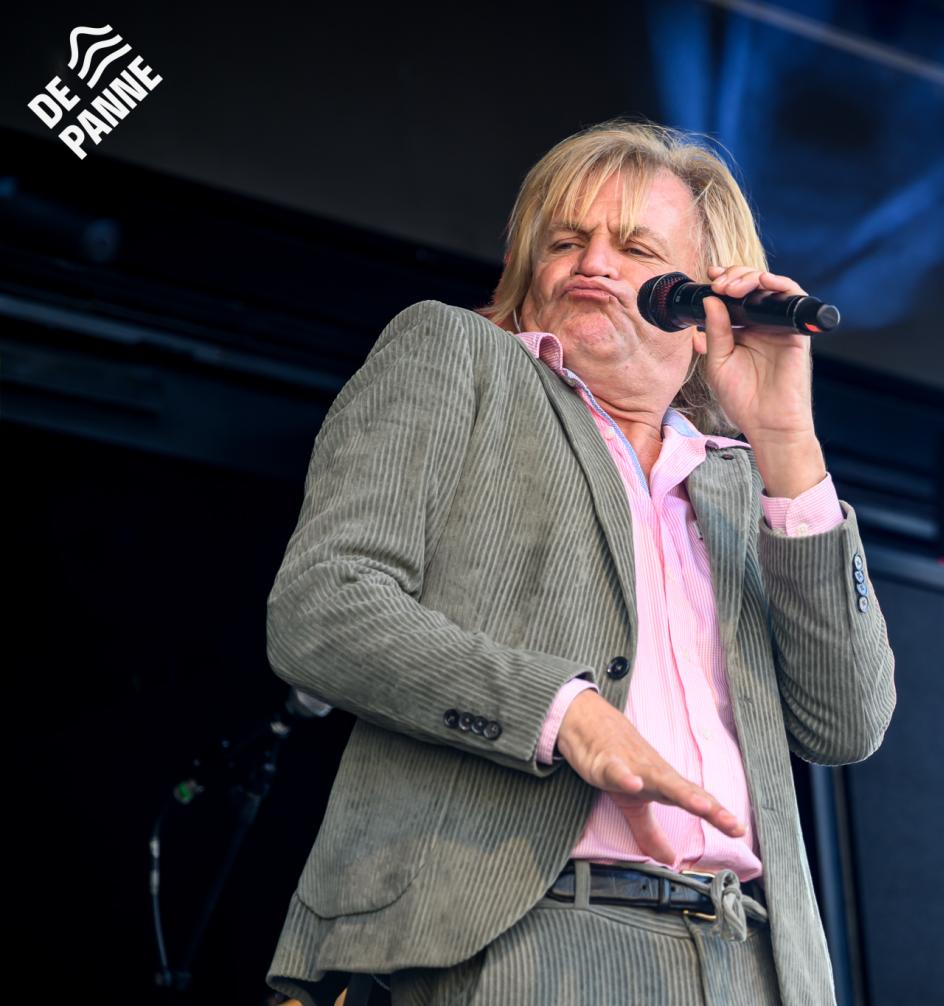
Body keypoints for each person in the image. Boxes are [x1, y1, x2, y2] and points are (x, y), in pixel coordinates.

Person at [263, 119, 896, 1005]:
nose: (593, 263)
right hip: (521, 936)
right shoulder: (459, 358)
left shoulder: (743, 487)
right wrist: (565, 714)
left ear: (705, 309)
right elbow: (323, 607)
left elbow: (847, 723)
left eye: (635, 248)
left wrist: (787, 441)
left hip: (748, 957)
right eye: (565, 242)